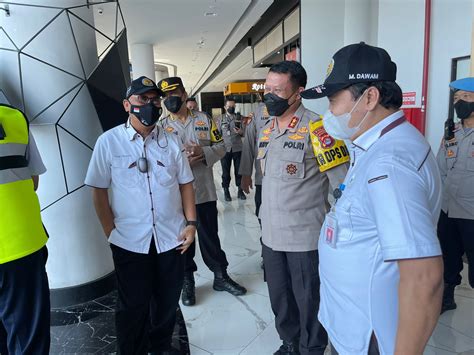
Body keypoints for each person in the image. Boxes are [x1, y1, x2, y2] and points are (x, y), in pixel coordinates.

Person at [302, 42, 444, 354]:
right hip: (353, 326)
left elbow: (424, 278)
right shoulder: (375, 146)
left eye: (334, 100)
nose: (330, 112)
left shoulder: (389, 164)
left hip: (369, 337)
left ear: (369, 97)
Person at [85, 76, 197, 355]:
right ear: (127, 105)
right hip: (129, 241)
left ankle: (159, 347)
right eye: (142, 100)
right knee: (132, 305)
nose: (150, 105)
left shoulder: (171, 141)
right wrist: (109, 230)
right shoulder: (108, 142)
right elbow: (98, 190)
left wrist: (191, 224)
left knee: (167, 302)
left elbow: (185, 184)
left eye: (154, 100)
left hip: (171, 238)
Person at [257, 61, 349, 355]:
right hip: (270, 235)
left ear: (297, 93)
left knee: (309, 300)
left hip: (304, 238)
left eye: (277, 90)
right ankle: (290, 342)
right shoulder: (267, 128)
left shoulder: (318, 128)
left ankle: (311, 348)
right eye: (267, 89)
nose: (269, 95)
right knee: (279, 299)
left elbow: (343, 187)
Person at [158, 77, 247, 307]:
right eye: (166, 96)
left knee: (210, 236)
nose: (170, 100)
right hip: (176, 197)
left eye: (174, 94)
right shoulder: (160, 127)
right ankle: (187, 281)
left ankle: (220, 275)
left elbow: (222, 146)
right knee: (183, 242)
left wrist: (203, 153)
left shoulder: (205, 120)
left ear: (184, 94)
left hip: (204, 190)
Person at [0, 104, 50, 354]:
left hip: (21, 247)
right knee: (28, 340)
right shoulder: (14, 118)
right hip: (20, 246)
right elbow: (33, 181)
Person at [436, 77, 474, 314]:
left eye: (466, 98)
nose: (460, 103)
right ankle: (447, 298)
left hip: (472, 213)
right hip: (448, 210)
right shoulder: (452, 131)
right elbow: (440, 168)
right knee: (448, 259)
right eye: (457, 98)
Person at [239, 99, 270, 269]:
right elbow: (249, 144)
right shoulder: (258, 113)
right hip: (262, 181)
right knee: (263, 219)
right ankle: (268, 254)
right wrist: (245, 174)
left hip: (292, 183)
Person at [216, 97, 246, 201]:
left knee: (239, 171)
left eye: (233, 106)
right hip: (225, 149)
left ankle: (240, 190)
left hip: (238, 148)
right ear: (225, 107)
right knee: (225, 172)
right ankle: (226, 190)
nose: (231, 108)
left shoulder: (240, 118)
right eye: (229, 106)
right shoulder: (220, 119)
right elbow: (217, 135)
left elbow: (245, 132)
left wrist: (240, 132)